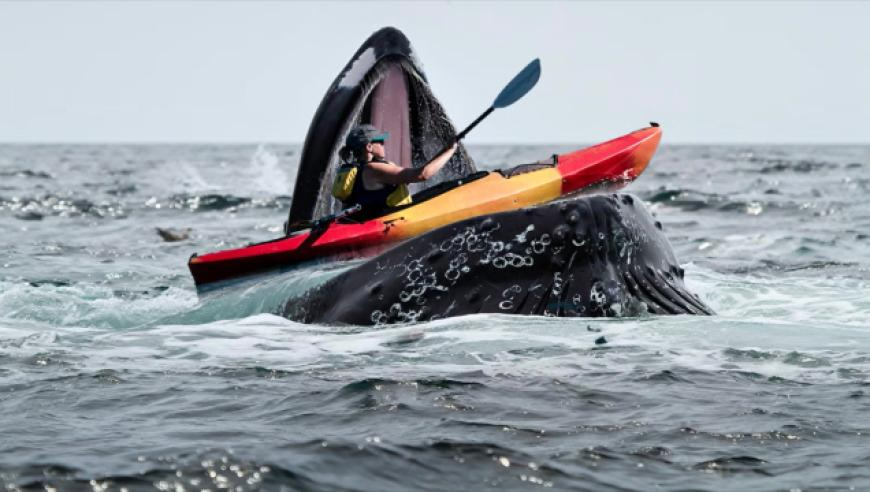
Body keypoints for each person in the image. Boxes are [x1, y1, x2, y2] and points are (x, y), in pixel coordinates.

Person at [332, 124, 458, 212]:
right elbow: (423, 174)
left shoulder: (357, 170)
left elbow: (408, 177)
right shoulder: (373, 170)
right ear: (369, 147)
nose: (383, 145)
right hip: (386, 225)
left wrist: (443, 150)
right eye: (380, 141)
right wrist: (451, 151)